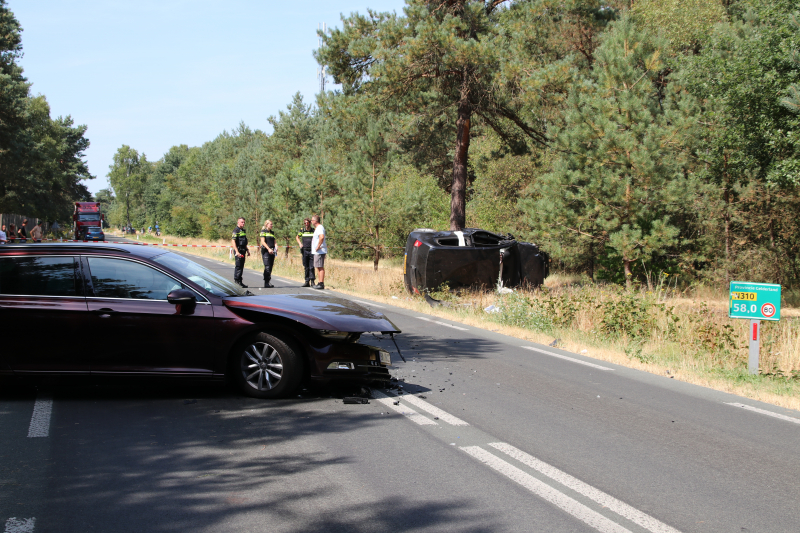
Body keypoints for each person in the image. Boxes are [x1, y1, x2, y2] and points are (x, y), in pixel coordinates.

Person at [230, 217, 250, 287]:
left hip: (243, 250)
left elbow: (244, 242)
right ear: (238, 222)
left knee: (241, 266)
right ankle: (237, 281)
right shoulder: (236, 230)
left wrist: (247, 250)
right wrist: (237, 251)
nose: (243, 223)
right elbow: (233, 241)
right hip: (238, 250)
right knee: (238, 266)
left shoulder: (243, 231)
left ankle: (240, 281)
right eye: (242, 222)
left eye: (244, 222)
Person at [295, 218, 315, 287]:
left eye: (307, 223)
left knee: (311, 266)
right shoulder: (302, 231)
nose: (306, 224)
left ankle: (312, 281)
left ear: (310, 223)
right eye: (305, 223)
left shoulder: (313, 230)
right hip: (305, 250)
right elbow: (297, 237)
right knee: (306, 266)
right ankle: (307, 281)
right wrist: (300, 244)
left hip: (312, 250)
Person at [258, 219, 277, 288]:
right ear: (267, 225)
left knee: (270, 267)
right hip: (266, 251)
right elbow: (263, 242)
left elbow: (274, 241)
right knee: (267, 267)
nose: (272, 225)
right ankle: (266, 282)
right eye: (270, 224)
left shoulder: (272, 232)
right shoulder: (263, 232)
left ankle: (268, 281)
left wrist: (276, 246)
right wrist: (268, 248)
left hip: (272, 251)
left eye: (272, 224)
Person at [311, 215, 327, 290]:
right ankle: (319, 282)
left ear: (315, 221)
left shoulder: (320, 227)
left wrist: (318, 246)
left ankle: (321, 283)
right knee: (318, 266)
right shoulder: (317, 228)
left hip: (319, 251)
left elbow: (322, 237)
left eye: (312, 220)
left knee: (320, 267)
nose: (311, 222)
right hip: (317, 251)